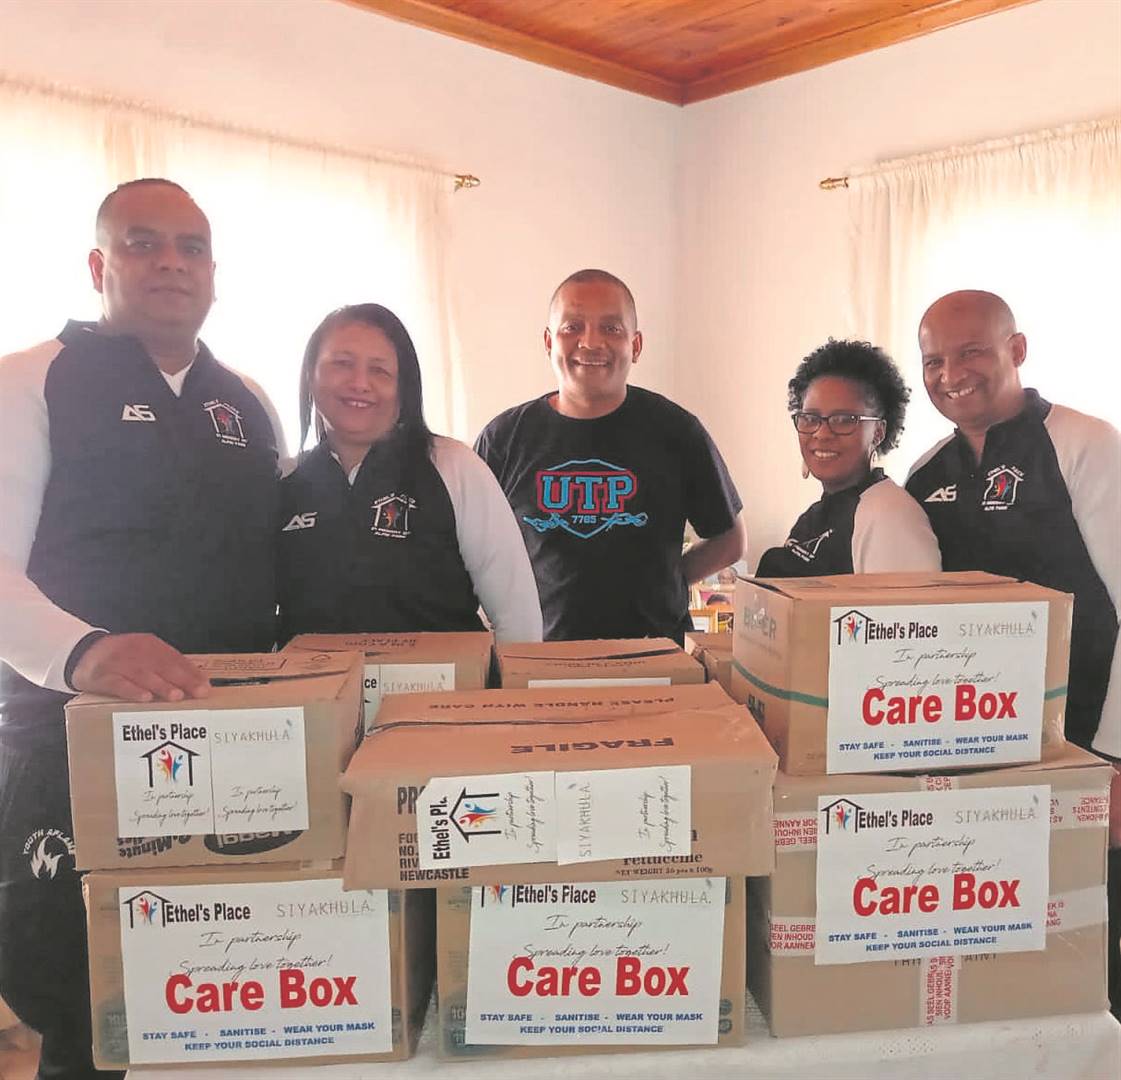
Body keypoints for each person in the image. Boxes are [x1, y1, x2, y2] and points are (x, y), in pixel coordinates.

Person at [0, 179, 284, 1078]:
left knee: (233, 1001)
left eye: (191, 248)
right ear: (99, 265)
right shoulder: (29, 381)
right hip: (73, 748)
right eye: (142, 243)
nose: (170, 263)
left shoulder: (247, 400)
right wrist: (84, 652)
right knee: (85, 1012)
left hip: (237, 749)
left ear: (214, 273)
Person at [906, 288, 1121, 1014]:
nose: (950, 374)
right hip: (983, 748)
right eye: (933, 361)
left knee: (1096, 938)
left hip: (1089, 744)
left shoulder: (1085, 443)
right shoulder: (926, 474)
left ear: (1016, 350)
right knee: (1008, 934)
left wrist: (1113, 759)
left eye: (970, 352)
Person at [475, 269, 745, 642]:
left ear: (636, 345)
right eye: (572, 327)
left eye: (611, 328)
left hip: (655, 657)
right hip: (539, 658)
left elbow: (730, 541)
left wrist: (670, 577)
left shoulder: (677, 432)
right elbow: (471, 552)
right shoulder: (504, 439)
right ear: (549, 341)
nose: (590, 342)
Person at [277, 303, 541, 644]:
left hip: (446, 679)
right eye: (342, 363)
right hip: (318, 681)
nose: (360, 383)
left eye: (380, 370)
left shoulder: (453, 467)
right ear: (310, 375)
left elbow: (517, 616)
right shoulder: (285, 480)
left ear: (405, 387)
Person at [756, 339, 941, 576]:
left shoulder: (889, 517)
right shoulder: (818, 514)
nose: (822, 433)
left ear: (878, 432)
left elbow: (906, 602)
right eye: (810, 418)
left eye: (844, 420)